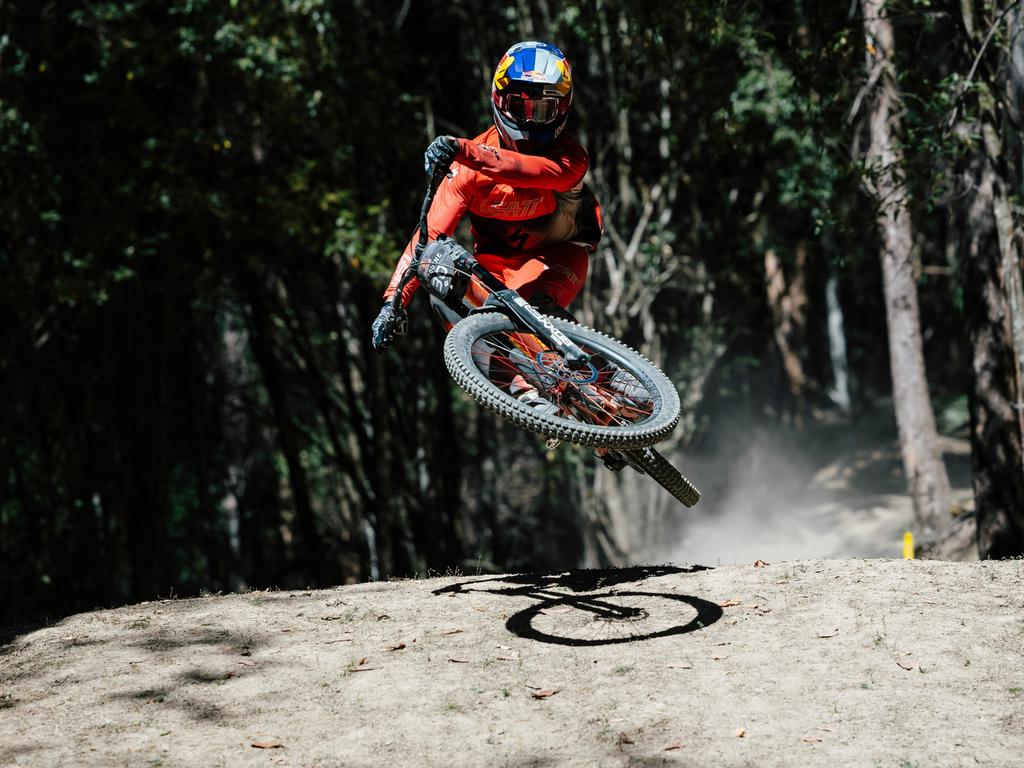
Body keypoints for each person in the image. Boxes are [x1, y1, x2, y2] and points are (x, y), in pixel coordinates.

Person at [370, 40, 602, 358]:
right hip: (495, 275)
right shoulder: (467, 173)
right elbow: (424, 241)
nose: (531, 122)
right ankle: (522, 394)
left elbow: (528, 171)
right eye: (521, 108)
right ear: (499, 101)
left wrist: (464, 150)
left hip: (558, 259)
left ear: (562, 109)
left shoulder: (570, 158)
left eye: (544, 110)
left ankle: (611, 378)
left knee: (527, 312)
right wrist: (392, 302)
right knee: (439, 281)